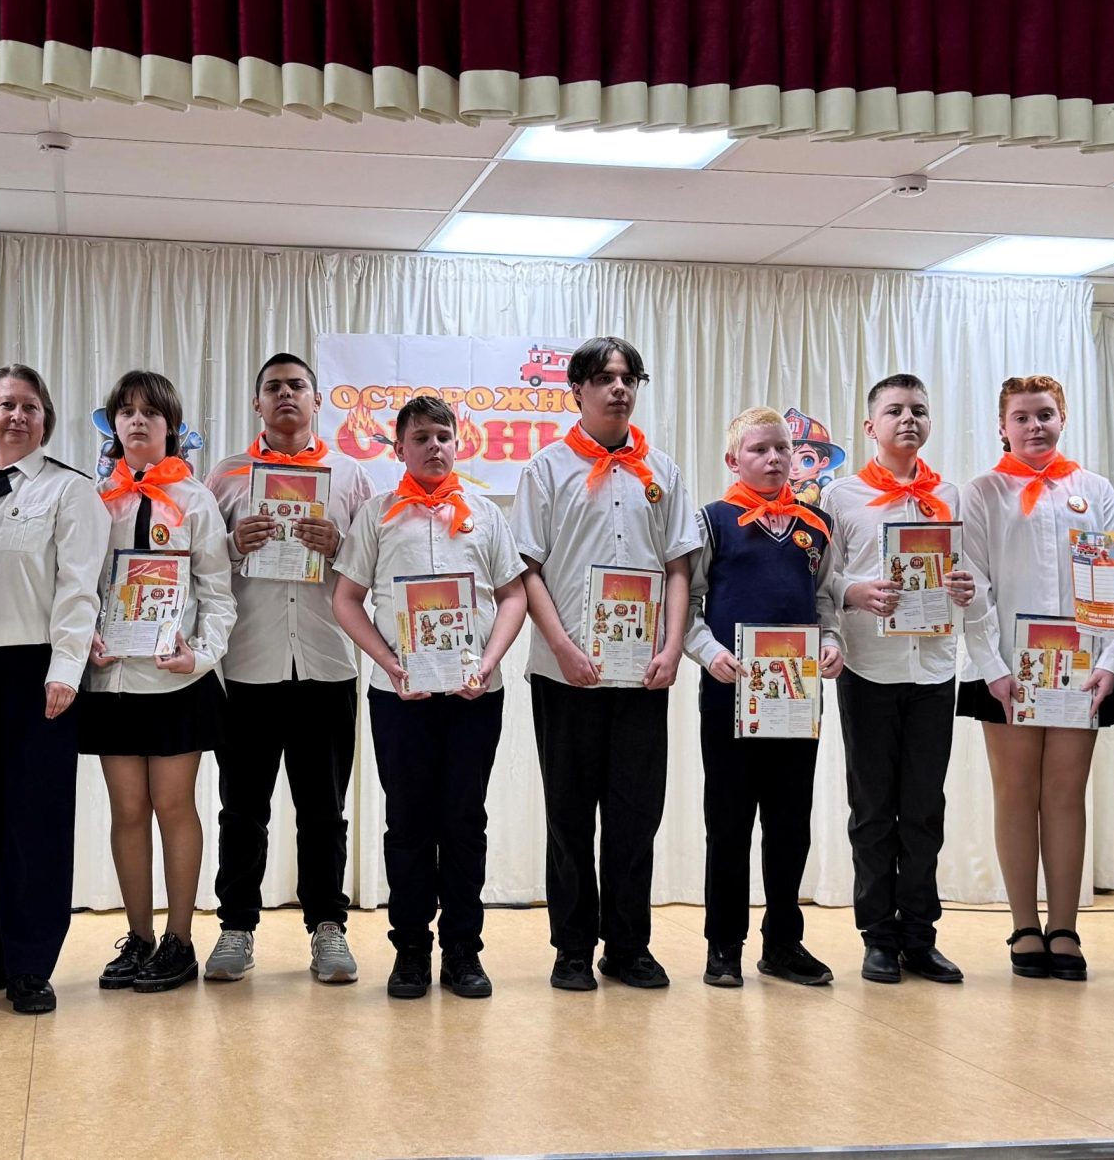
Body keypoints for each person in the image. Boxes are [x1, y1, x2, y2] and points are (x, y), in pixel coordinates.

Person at [511, 335, 703, 991]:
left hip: (642, 673)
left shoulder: (663, 472)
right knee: (569, 815)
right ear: (578, 391)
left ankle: (628, 947)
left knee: (635, 815)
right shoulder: (546, 470)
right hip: (565, 672)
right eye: (604, 378)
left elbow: (679, 568)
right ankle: (571, 948)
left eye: (628, 378)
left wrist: (672, 647)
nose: (619, 388)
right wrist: (563, 646)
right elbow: (526, 570)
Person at [331, 396, 529, 999]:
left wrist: (488, 663)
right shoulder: (377, 515)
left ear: (458, 443)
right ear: (399, 449)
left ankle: (463, 950)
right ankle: (411, 950)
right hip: (400, 698)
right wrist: (390, 665)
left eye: (443, 436)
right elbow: (346, 599)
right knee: (408, 822)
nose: (434, 446)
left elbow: (513, 595)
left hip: (474, 694)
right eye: (420, 438)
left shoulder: (486, 515)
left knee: (465, 821)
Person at [206, 353, 376, 985]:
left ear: (316, 399)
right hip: (248, 666)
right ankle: (236, 927)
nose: (286, 395)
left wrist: (342, 547)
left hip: (327, 665)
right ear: (257, 403)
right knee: (241, 808)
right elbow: (198, 568)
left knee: (323, 810)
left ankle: (328, 927)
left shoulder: (351, 476)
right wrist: (232, 545)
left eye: (297, 386)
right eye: (273, 387)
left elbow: (375, 568)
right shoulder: (226, 476)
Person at [0, 365, 109, 1016]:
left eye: (31, 407)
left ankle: (31, 963)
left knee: (36, 821)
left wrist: (66, 669)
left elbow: (79, 587)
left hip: (38, 671)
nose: (17, 416)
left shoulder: (71, 490)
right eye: (6, 405)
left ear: (46, 419)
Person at [958, 376, 1114, 982]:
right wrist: (994, 668)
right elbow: (972, 584)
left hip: (1082, 672)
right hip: (1006, 670)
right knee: (1015, 793)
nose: (1035, 426)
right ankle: (1024, 924)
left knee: (1064, 794)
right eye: (1022, 417)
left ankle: (1064, 927)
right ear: (1002, 426)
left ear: (1063, 418)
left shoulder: (1096, 490)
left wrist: (1110, 663)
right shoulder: (982, 492)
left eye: (1046, 415)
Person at [821, 375, 990, 986]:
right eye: (894, 411)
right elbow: (824, 577)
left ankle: (920, 935)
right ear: (871, 426)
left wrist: (967, 589)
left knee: (923, 809)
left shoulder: (950, 495)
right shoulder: (840, 495)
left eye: (919, 410)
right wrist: (855, 591)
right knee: (872, 810)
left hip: (934, 669)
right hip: (868, 666)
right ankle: (878, 936)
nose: (908, 419)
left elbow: (973, 578)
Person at [85, 370, 238, 994]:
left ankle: (179, 940)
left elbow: (218, 595)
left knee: (174, 808)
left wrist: (199, 655)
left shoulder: (196, 501)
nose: (137, 421)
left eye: (150, 412)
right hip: (114, 679)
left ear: (171, 426)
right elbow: (78, 587)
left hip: (176, 684)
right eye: (126, 411)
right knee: (127, 811)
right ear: (114, 424)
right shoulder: (95, 499)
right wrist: (84, 638)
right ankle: (139, 937)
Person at [683, 406, 844, 989]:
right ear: (733, 460)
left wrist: (832, 642)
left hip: (796, 699)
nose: (773, 458)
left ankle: (783, 942)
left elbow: (823, 600)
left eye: (781, 448)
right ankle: (723, 945)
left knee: (790, 823)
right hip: (729, 697)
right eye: (759, 450)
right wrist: (709, 653)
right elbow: (689, 604)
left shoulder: (816, 524)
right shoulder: (713, 522)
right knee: (728, 823)